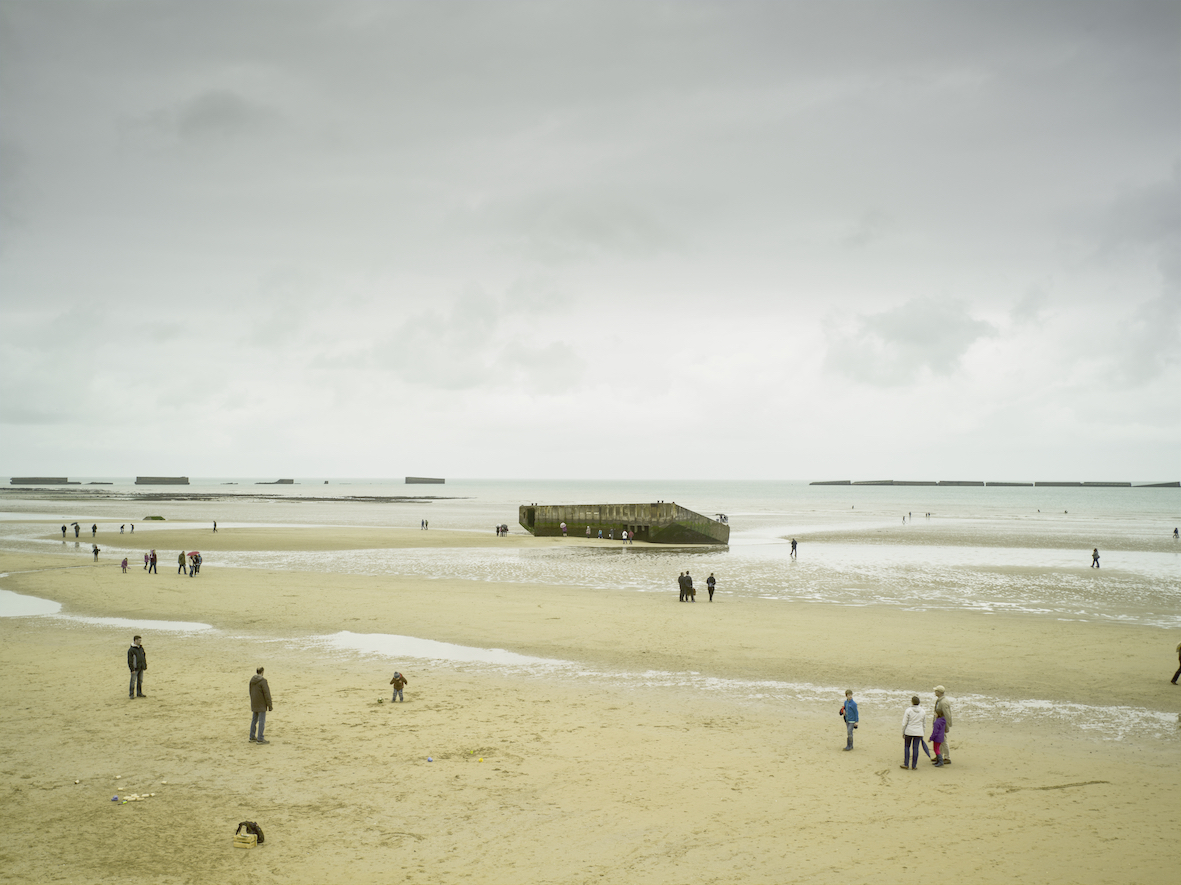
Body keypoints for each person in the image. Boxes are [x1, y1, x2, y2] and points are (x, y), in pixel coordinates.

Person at [901, 695, 925, 770]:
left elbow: (904, 722)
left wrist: (903, 732)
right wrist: (923, 732)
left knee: (907, 747)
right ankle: (914, 765)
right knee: (916, 748)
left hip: (909, 731)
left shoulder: (908, 710)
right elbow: (924, 723)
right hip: (918, 732)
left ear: (912, 702)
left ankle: (906, 764)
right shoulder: (923, 711)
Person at [249, 666, 272, 743]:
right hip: (261, 704)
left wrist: (252, 701)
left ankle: (252, 736)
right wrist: (270, 705)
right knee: (261, 721)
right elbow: (267, 694)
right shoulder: (263, 681)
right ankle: (260, 738)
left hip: (254, 702)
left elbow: (250, 691)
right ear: (262, 672)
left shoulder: (252, 680)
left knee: (254, 720)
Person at [933, 685, 953, 764]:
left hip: (942, 725)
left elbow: (947, 715)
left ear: (939, 692)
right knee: (939, 741)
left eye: (936, 691)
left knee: (944, 741)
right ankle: (939, 755)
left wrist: (947, 726)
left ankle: (947, 757)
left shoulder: (943, 702)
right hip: (939, 724)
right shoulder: (940, 700)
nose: (935, 692)